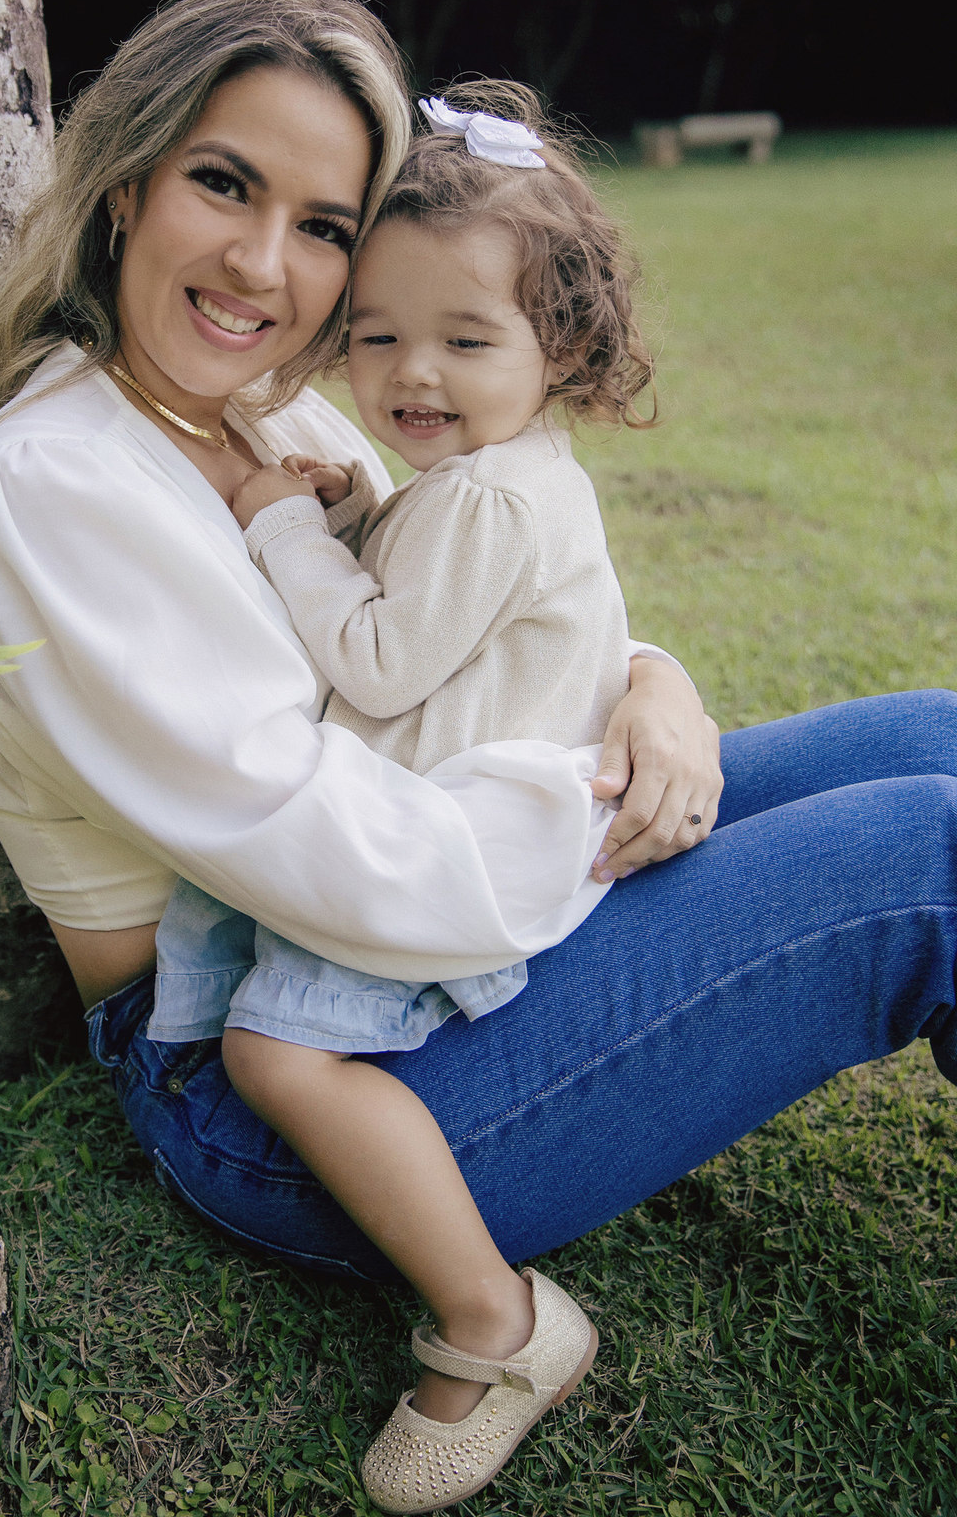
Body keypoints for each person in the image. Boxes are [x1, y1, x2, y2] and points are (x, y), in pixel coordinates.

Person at [0, 0, 957, 1517]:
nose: (266, 264)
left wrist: (651, 686)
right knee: (929, 854)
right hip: (279, 1058)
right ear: (128, 183)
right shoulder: (58, 486)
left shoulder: (294, 411)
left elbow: (485, 612)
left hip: (447, 896)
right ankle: (497, 1327)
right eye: (224, 183)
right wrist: (588, 848)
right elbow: (340, 843)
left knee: (937, 734)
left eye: (326, 225)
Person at [146, 79, 654, 1506]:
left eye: (463, 339)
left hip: (455, 846)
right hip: (469, 818)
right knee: (276, 1032)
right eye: (375, 336)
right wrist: (363, 512)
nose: (410, 375)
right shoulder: (497, 472)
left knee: (282, 1056)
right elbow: (440, 594)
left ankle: (496, 1322)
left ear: (561, 342)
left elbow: (378, 661)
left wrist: (279, 525)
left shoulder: (488, 495)